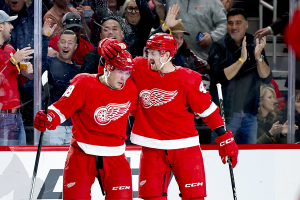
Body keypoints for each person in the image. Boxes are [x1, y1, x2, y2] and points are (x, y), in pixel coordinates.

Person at [102, 33, 239, 199]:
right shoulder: (138, 67)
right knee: (152, 197)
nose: (148, 57)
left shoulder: (189, 79)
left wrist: (224, 138)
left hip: (185, 149)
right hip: (152, 148)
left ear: (167, 55)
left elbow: (208, 112)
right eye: (148, 52)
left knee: (195, 197)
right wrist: (106, 46)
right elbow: (111, 70)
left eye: (153, 53)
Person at [33, 41, 137, 199]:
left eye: (127, 73)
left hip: (115, 156)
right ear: (109, 68)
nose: (124, 78)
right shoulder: (84, 83)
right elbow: (62, 107)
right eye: (121, 72)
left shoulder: (131, 88)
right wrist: (48, 118)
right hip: (81, 153)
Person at [208, 9, 273, 144]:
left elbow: (266, 77)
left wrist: (258, 58)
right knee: (221, 156)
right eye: (230, 23)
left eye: (238, 23)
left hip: (250, 114)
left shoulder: (255, 43)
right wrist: (241, 60)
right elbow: (219, 77)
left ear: (246, 24)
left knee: (250, 159)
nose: (234, 27)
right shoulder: (218, 46)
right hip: (225, 114)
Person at [0, 10, 34, 145]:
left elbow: (15, 81)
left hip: (16, 115)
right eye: (9, 23)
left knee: (21, 159)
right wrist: (12, 62)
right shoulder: (11, 55)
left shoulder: (9, 48)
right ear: (1, 26)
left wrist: (25, 74)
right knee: (5, 162)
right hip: (2, 116)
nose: (12, 27)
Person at [41, 29, 80, 145]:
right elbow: (38, 60)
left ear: (75, 46)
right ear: (58, 44)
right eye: (63, 42)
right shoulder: (48, 63)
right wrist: (44, 37)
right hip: (53, 126)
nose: (66, 45)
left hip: (73, 127)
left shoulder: (79, 72)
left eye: (70, 42)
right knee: (50, 162)